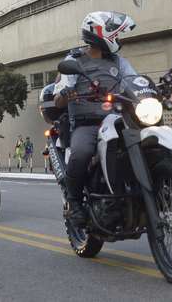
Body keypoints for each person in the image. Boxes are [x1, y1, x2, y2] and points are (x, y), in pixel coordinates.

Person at [54, 11, 137, 227]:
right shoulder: (74, 60)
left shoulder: (118, 62)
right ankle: (73, 202)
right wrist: (66, 94)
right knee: (81, 153)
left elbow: (134, 81)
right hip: (87, 124)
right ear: (100, 34)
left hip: (118, 120)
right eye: (116, 35)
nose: (119, 40)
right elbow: (58, 99)